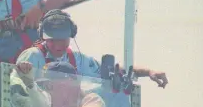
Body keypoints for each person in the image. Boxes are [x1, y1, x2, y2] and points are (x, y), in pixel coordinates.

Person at [17, 9, 169, 88]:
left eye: (62, 39)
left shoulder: (79, 60)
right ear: (43, 37)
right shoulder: (32, 56)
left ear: (71, 35)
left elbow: (113, 71)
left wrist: (149, 72)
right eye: (52, 40)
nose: (58, 46)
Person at [29, 61, 110, 107]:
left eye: (49, 86)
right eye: (44, 86)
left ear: (68, 82)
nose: (46, 91)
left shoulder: (92, 99)